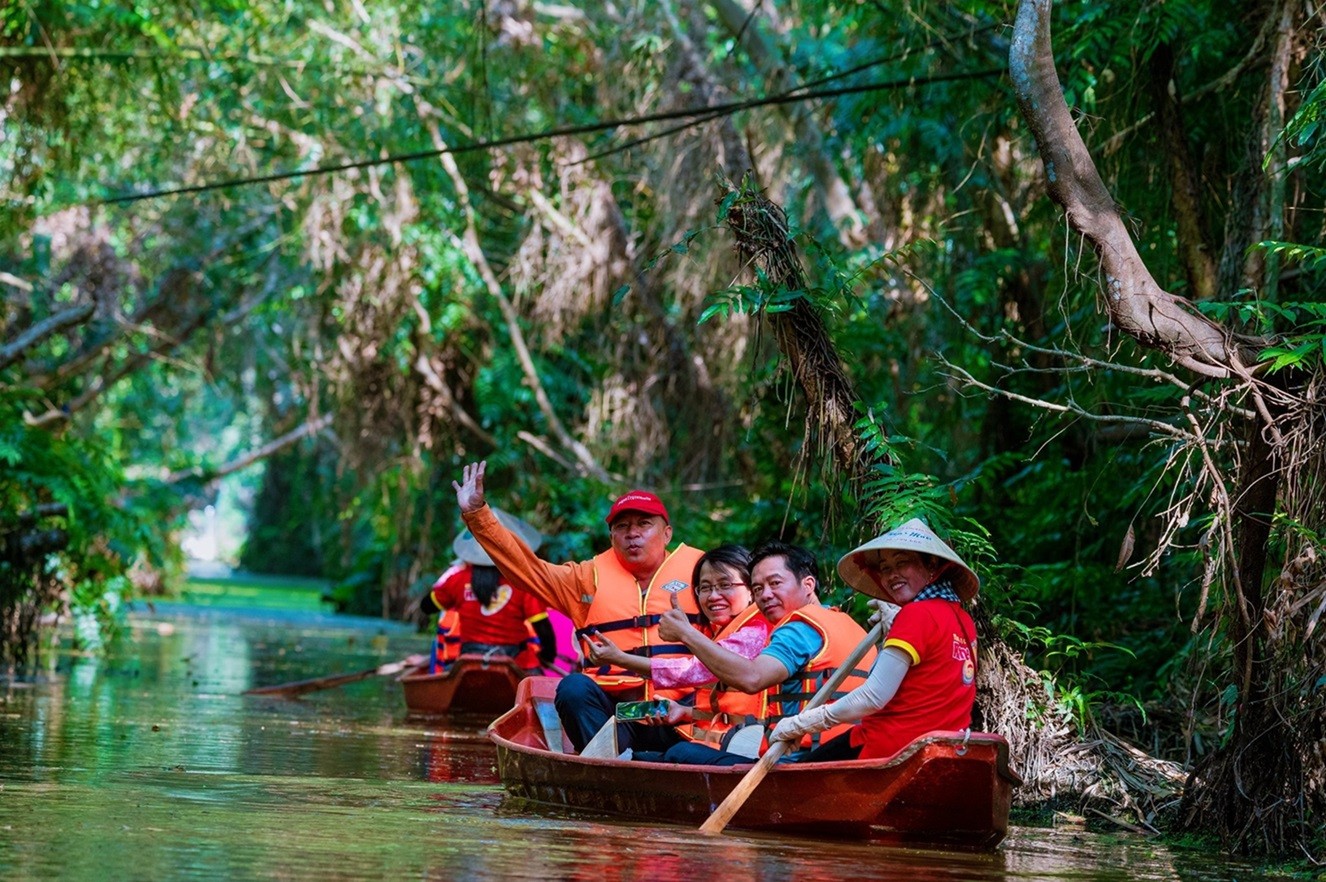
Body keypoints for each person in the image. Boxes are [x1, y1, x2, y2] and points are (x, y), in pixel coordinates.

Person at [452, 460, 704, 753]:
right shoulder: (585, 579)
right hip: (616, 717)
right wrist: (477, 514)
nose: (632, 533)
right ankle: (612, 761)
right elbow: (527, 569)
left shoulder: (703, 574)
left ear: (667, 534)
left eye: (644, 524)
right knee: (572, 688)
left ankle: (672, 755)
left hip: (682, 714)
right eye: (622, 527)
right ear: (612, 537)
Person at [769, 518, 980, 762]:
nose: (892, 575)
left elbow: (873, 697)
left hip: (894, 750)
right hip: (941, 750)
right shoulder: (963, 621)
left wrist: (802, 723)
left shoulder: (917, 615)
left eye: (902, 563)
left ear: (931, 564)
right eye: (885, 568)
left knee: (797, 779)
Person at [650, 540, 875, 765]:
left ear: (808, 584)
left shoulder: (798, 630)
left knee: (679, 752)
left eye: (775, 583)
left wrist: (687, 634)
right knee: (653, 756)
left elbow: (753, 678)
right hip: (849, 753)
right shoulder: (850, 625)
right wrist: (688, 712)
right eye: (757, 588)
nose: (765, 595)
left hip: (800, 763)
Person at [582, 544, 770, 758]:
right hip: (712, 740)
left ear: (751, 590)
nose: (714, 596)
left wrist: (620, 659)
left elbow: (692, 670)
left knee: (676, 754)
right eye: (705, 588)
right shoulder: (722, 631)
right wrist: (683, 712)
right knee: (578, 690)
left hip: (742, 751)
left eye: (725, 585)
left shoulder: (755, 632)